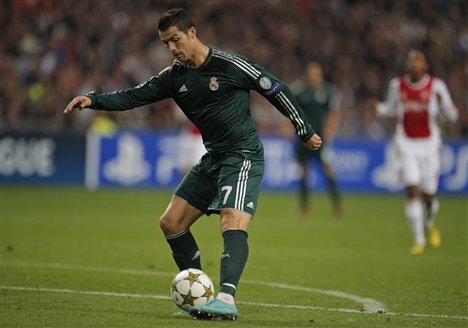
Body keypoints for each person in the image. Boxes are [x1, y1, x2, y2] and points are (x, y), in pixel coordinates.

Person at [63, 8, 322, 320]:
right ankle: (200, 294)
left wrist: (303, 129)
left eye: (175, 40)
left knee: (232, 221)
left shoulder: (230, 65)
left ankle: (226, 299)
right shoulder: (175, 77)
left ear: (192, 33)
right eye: (165, 44)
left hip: (242, 156)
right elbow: (133, 96)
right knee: (170, 223)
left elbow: (275, 88)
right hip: (213, 158)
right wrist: (94, 100)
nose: (172, 48)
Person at [373, 49, 458, 255]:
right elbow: (391, 109)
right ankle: (418, 239)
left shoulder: (436, 86)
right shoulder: (397, 85)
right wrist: (379, 108)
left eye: (418, 62)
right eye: (411, 61)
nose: (413, 65)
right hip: (406, 143)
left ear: (425, 66)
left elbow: (453, 115)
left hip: (429, 145)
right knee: (412, 190)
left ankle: (429, 223)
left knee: (429, 195)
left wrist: (442, 107)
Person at [293, 61, 343, 218]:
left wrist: (330, 129)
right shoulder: (298, 90)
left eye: (316, 74)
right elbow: (289, 110)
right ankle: (304, 207)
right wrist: (288, 127)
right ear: (306, 74)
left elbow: (335, 112)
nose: (314, 77)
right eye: (311, 74)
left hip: (321, 138)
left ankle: (337, 204)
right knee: (303, 171)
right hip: (302, 138)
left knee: (327, 169)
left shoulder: (327, 91)